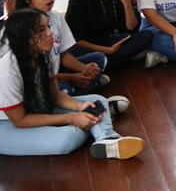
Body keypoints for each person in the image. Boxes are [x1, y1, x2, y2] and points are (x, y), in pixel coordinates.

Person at [0, 9, 144, 159]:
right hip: (7, 124)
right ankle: (98, 123)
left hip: (37, 108)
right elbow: (20, 120)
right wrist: (71, 118)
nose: (50, 33)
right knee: (70, 136)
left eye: (48, 26)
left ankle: (107, 139)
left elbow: (55, 94)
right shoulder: (7, 71)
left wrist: (80, 107)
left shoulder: (44, 54)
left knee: (97, 101)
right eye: (41, 30)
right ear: (23, 36)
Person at [15, 0, 108, 96]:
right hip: (38, 80)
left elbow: (62, 54)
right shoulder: (19, 25)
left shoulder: (55, 16)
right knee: (62, 90)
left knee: (98, 60)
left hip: (56, 71)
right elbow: (35, 74)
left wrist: (84, 69)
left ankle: (77, 95)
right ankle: (77, 95)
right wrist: (72, 77)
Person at [65, 0, 153, 70]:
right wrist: (108, 50)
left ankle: (102, 66)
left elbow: (131, 28)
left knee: (146, 35)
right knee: (94, 56)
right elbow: (76, 41)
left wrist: (127, 3)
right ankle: (102, 64)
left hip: (109, 41)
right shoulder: (79, 0)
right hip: (86, 47)